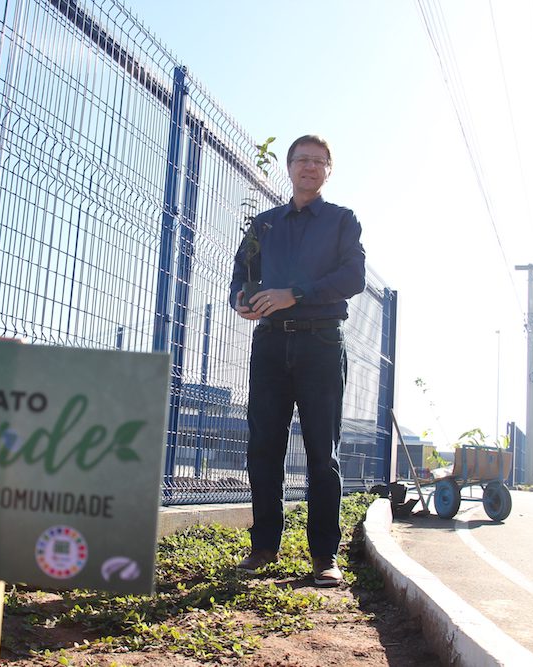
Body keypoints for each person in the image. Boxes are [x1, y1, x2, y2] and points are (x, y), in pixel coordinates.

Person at [229, 134, 366, 586]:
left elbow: (353, 276)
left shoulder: (343, 222)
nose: (310, 167)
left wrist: (295, 294)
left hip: (321, 345)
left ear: (329, 170)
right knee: (263, 446)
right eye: (302, 160)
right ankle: (263, 546)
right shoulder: (263, 226)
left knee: (321, 453)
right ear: (288, 168)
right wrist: (242, 301)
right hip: (270, 345)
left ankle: (324, 557)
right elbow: (242, 277)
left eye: (318, 161)